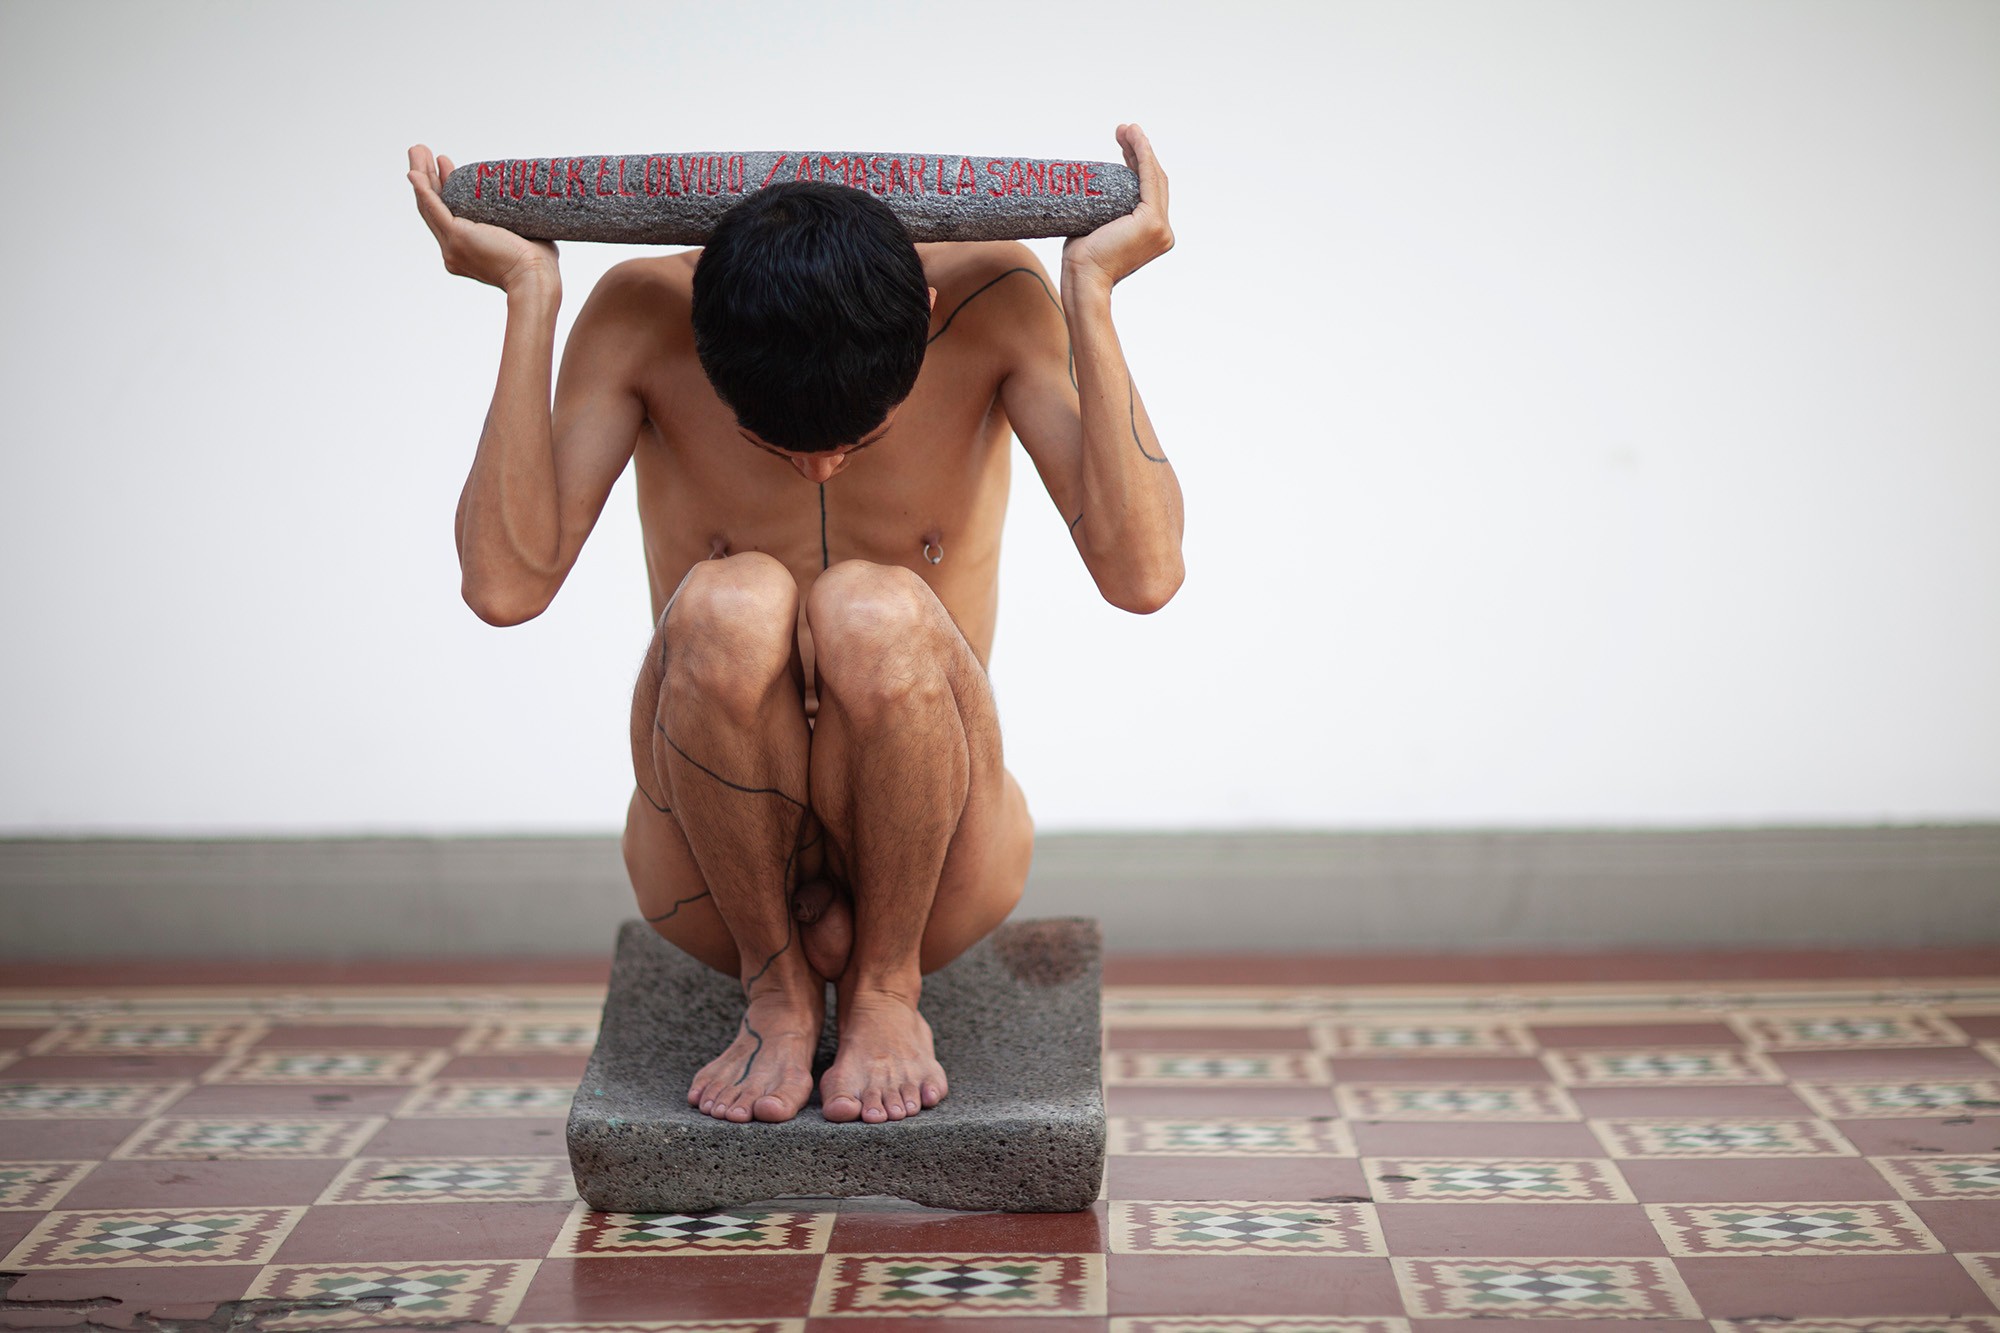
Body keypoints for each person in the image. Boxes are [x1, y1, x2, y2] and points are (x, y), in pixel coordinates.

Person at [405, 126, 1183, 1127]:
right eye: (773, 444)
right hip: (709, 874)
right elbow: (505, 586)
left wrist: (1090, 294)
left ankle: (885, 990)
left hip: (941, 863)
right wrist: (531, 300)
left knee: (871, 604)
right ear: (704, 344)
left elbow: (1144, 571)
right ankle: (772, 990)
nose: (819, 469)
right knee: (733, 599)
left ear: (927, 319)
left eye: (857, 441)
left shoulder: (991, 302)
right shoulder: (645, 316)